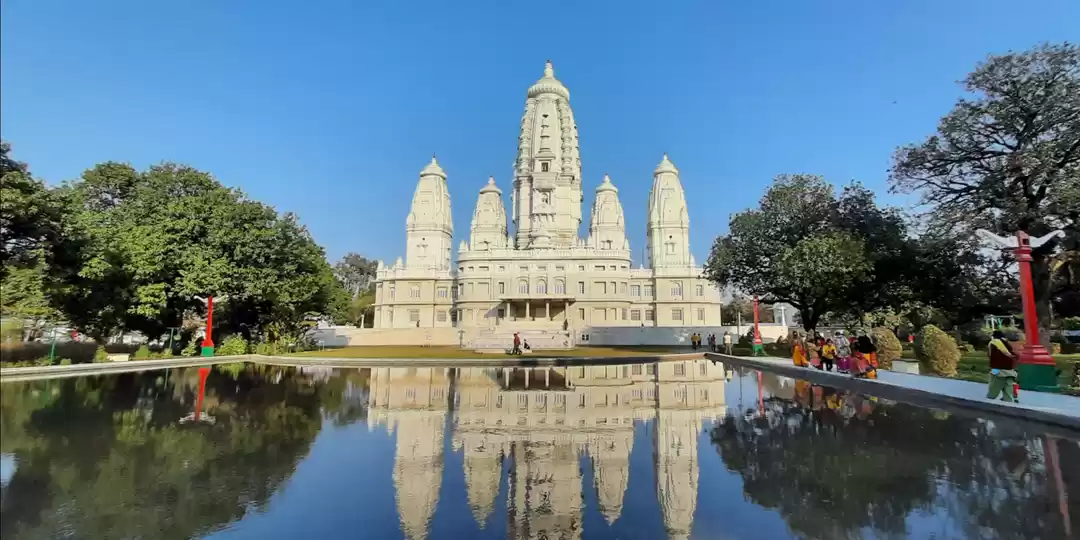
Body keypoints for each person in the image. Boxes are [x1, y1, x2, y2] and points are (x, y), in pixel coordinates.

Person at [986, 330, 1018, 402]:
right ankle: (1009, 402)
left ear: (994, 336)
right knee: (1008, 390)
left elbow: (990, 355)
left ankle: (988, 402)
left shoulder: (993, 342)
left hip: (997, 369)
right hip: (1010, 370)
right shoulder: (1008, 343)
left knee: (993, 388)